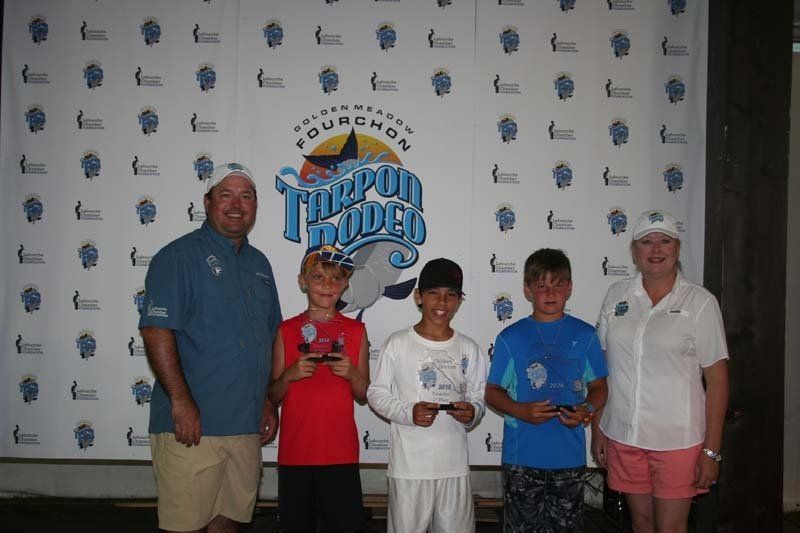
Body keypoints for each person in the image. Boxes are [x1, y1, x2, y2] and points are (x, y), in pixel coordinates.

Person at [139, 163, 282, 533]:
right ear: (207, 202)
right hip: (194, 426)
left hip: (245, 426)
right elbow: (157, 331)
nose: (237, 204)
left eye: (246, 196)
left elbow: (269, 337)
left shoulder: (259, 263)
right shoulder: (178, 257)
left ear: (255, 205)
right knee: (184, 526)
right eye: (226, 194)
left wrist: (268, 399)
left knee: (229, 521)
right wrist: (181, 402)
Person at [592, 210, 729, 533]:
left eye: (664, 241)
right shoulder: (616, 295)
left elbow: (718, 382)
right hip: (624, 435)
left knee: (670, 528)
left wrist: (712, 451)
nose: (656, 249)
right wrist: (598, 428)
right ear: (634, 251)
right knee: (641, 523)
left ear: (677, 248)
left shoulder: (700, 303)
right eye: (647, 242)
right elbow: (601, 370)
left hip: (677, 440)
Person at [485, 248, 608, 533]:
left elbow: (600, 387)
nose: (550, 293)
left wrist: (586, 409)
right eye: (541, 285)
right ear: (528, 290)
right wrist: (520, 410)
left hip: (569, 458)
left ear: (570, 288)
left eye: (558, 284)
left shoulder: (586, 335)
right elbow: (492, 391)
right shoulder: (510, 337)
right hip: (522, 459)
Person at [368, 258, 488, 533]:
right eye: (433, 293)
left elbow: (478, 397)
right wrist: (408, 413)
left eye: (451, 295)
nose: (442, 302)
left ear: (459, 300)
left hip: (453, 467)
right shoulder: (397, 343)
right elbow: (376, 393)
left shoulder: (469, 348)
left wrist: (472, 412)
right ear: (418, 296)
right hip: (410, 468)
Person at [268, 244, 370, 533]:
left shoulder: (356, 331)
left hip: (340, 454)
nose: (328, 285)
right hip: (295, 453)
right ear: (302, 281)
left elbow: (365, 394)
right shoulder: (285, 330)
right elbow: (273, 394)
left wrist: (351, 374)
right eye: (318, 277)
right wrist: (288, 376)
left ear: (345, 284)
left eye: (336, 278)